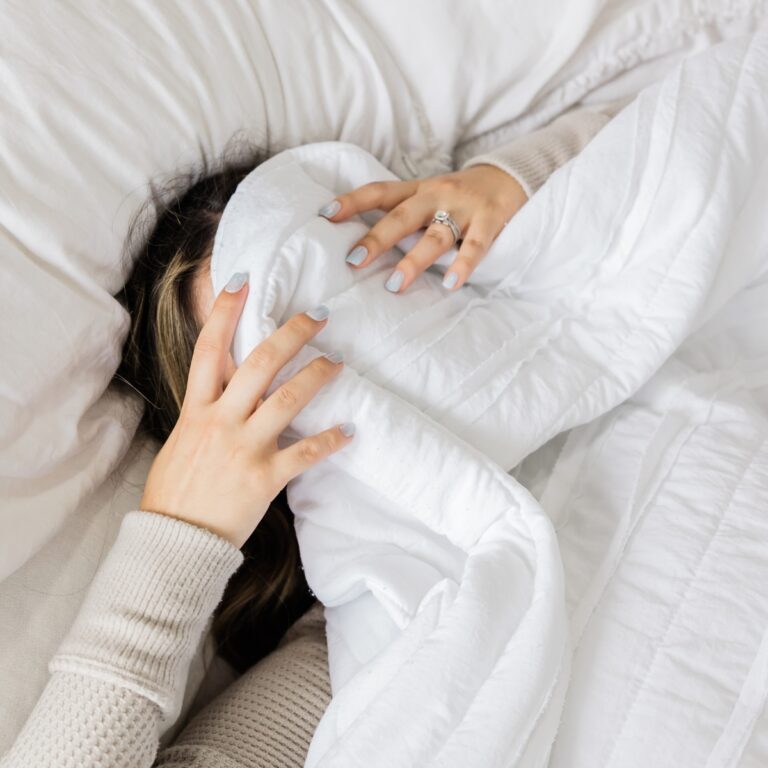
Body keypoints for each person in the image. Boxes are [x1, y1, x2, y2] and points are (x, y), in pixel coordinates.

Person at [0, 99, 625, 768]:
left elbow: (712, 129)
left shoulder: (571, 323)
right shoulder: (347, 662)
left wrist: (512, 183)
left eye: (356, 301)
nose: (347, 376)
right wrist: (180, 535)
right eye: (273, 375)